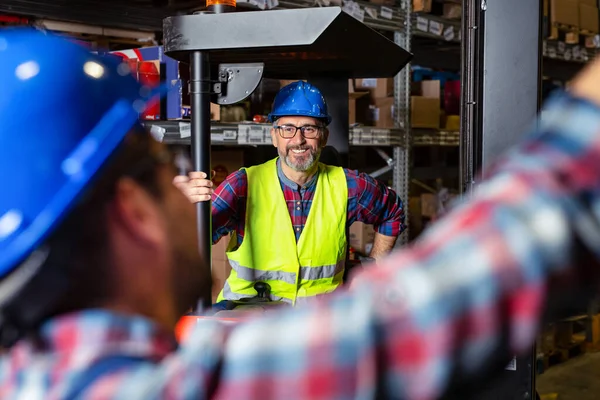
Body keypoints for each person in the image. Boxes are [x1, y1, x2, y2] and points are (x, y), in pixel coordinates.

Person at [3, 27, 600, 400]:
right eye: (168, 166)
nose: (187, 180)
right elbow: (420, 323)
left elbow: (391, 219)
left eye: (308, 132)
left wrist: (372, 270)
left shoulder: (28, 376)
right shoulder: (171, 384)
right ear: (132, 208)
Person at [174, 80, 406, 306]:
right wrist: (178, 207)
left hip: (318, 320)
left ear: (324, 137)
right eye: (287, 129)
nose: (298, 139)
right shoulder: (242, 185)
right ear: (274, 136)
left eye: (309, 128)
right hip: (249, 312)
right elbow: (192, 240)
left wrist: (373, 272)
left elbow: (392, 211)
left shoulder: (348, 185)